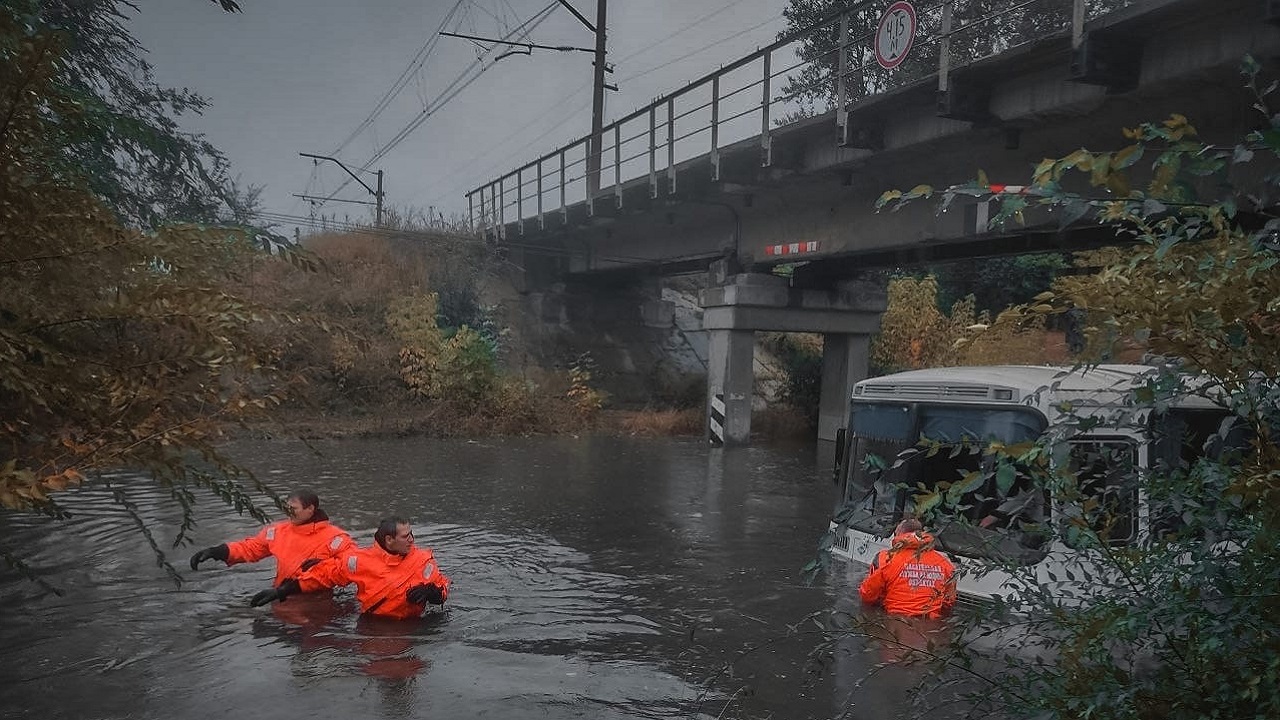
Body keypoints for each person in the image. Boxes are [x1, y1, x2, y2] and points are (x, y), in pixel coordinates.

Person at [250, 516, 451, 620]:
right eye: (405, 536)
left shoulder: (423, 560)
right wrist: (282, 590)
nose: (412, 540)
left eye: (411, 533)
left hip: (412, 628)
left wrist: (432, 593)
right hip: (372, 625)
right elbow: (324, 575)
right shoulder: (358, 561)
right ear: (389, 540)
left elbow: (442, 588)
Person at [188, 489, 355, 587]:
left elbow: (353, 564)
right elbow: (251, 548)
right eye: (286, 507)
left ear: (310, 509)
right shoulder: (278, 531)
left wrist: (324, 566)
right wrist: (218, 551)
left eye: (293, 508)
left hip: (317, 601)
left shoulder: (336, 538)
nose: (288, 512)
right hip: (280, 592)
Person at [858, 518, 956, 619]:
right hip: (930, 624)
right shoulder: (945, 564)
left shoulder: (885, 559)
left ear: (899, 534)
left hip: (895, 621)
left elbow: (868, 595)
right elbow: (948, 602)